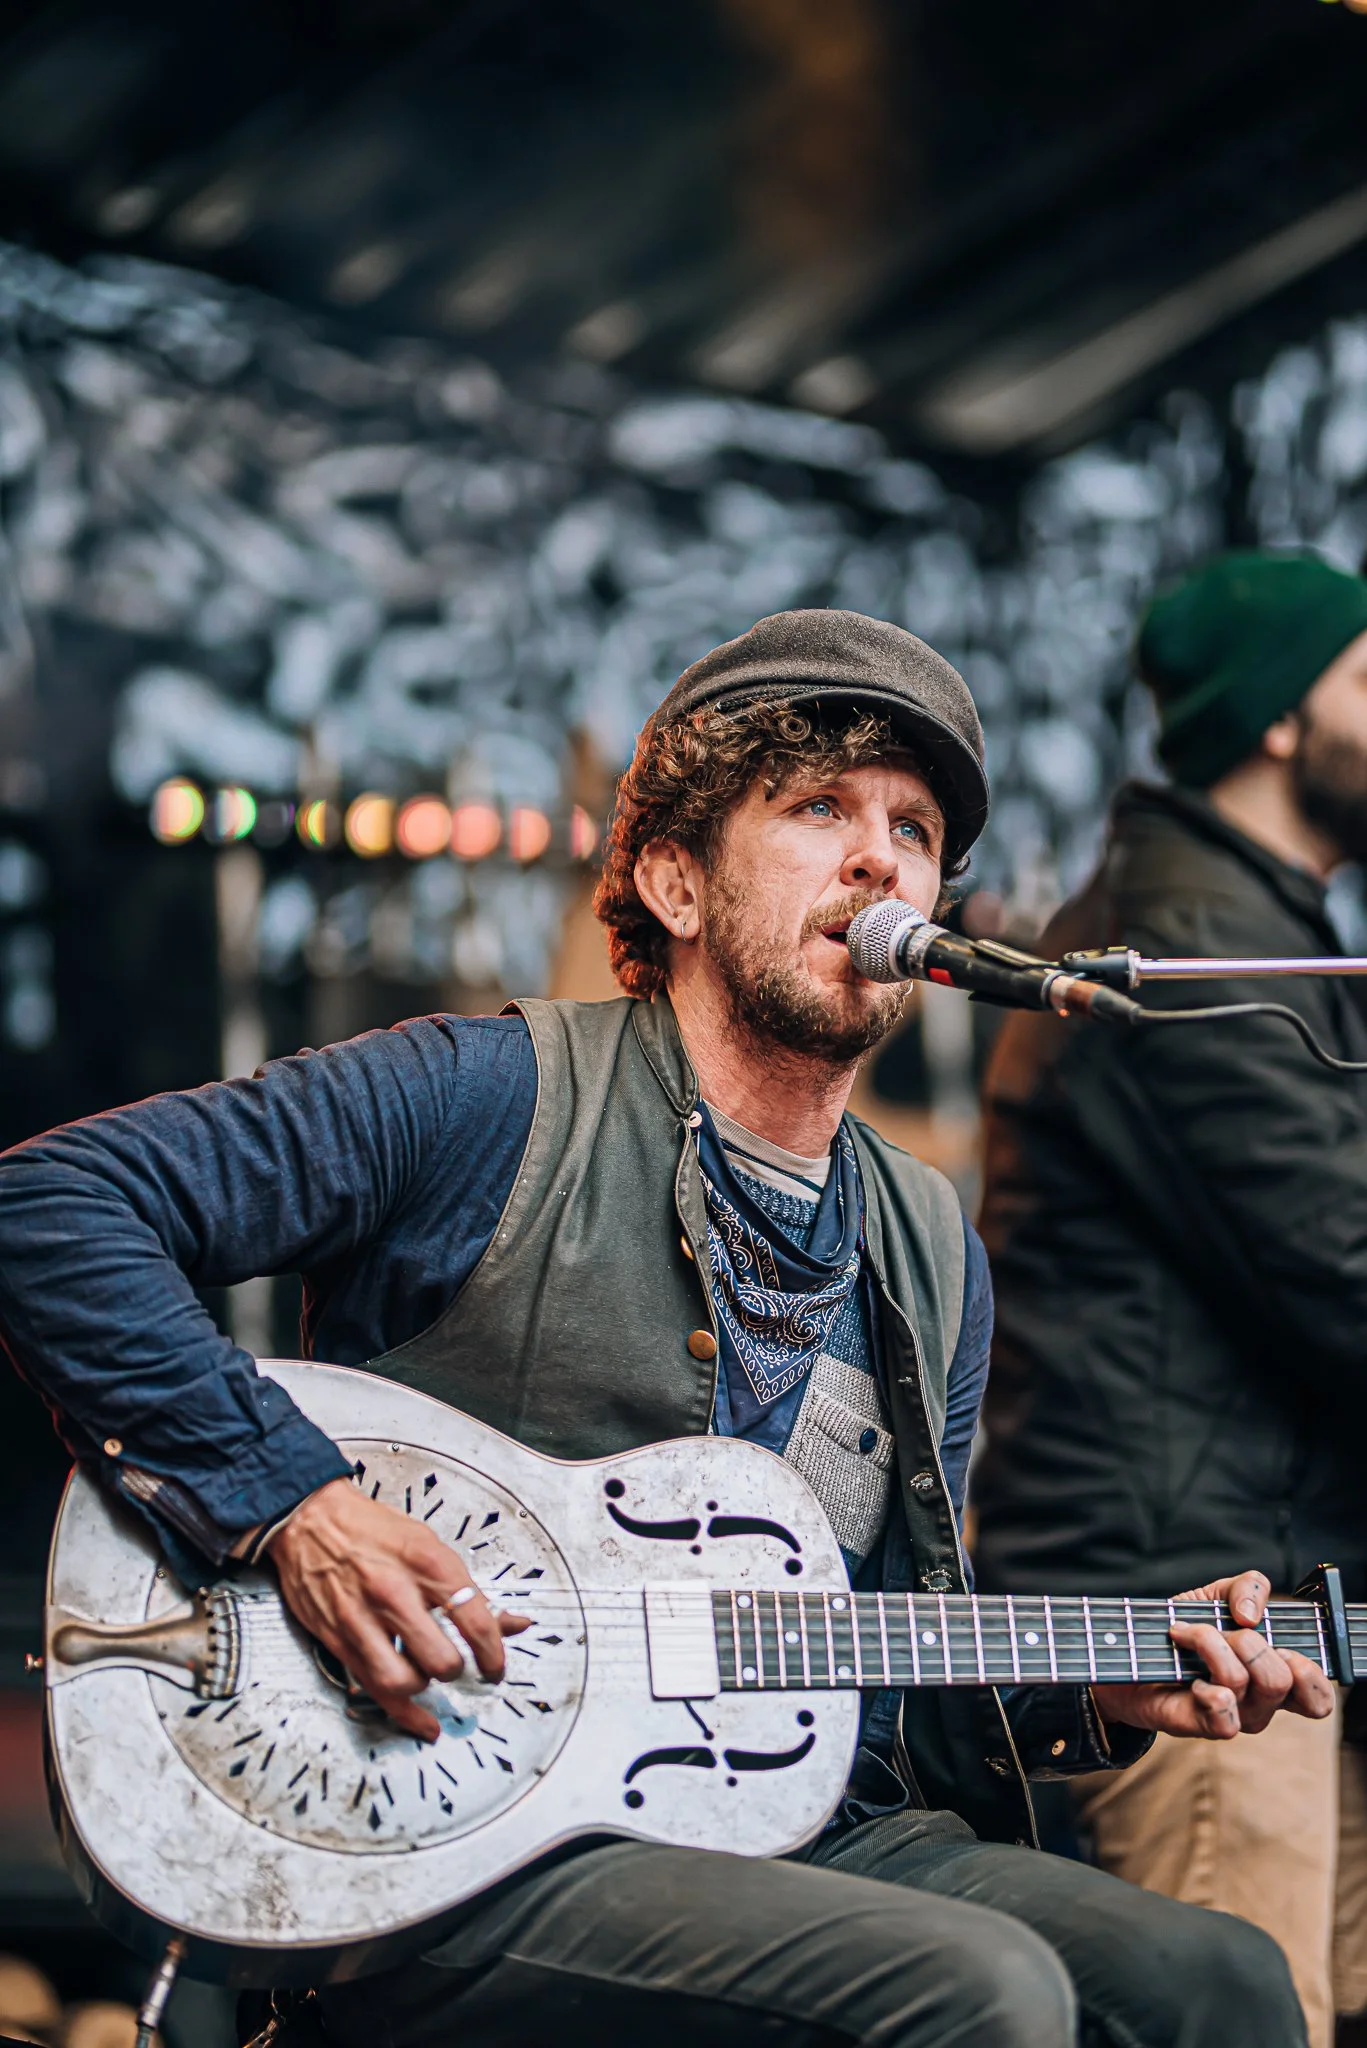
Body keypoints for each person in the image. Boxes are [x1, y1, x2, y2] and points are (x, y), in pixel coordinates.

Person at [0, 609, 1330, 2048]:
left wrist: (1095, 1691)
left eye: (915, 829)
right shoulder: (483, 1095)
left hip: (803, 1841)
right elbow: (47, 1207)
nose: (881, 859)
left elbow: (875, 1692)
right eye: (818, 809)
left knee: (1218, 1981)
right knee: (978, 1991)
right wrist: (295, 1504)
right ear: (675, 882)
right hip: (467, 1831)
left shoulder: (929, 1244)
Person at [975, 553, 1367, 2048]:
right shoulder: (1184, 945)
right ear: (1278, 719)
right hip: (1193, 1624)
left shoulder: (1257, 923)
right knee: (1247, 2012)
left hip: (1287, 1608)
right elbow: (1343, 1266)